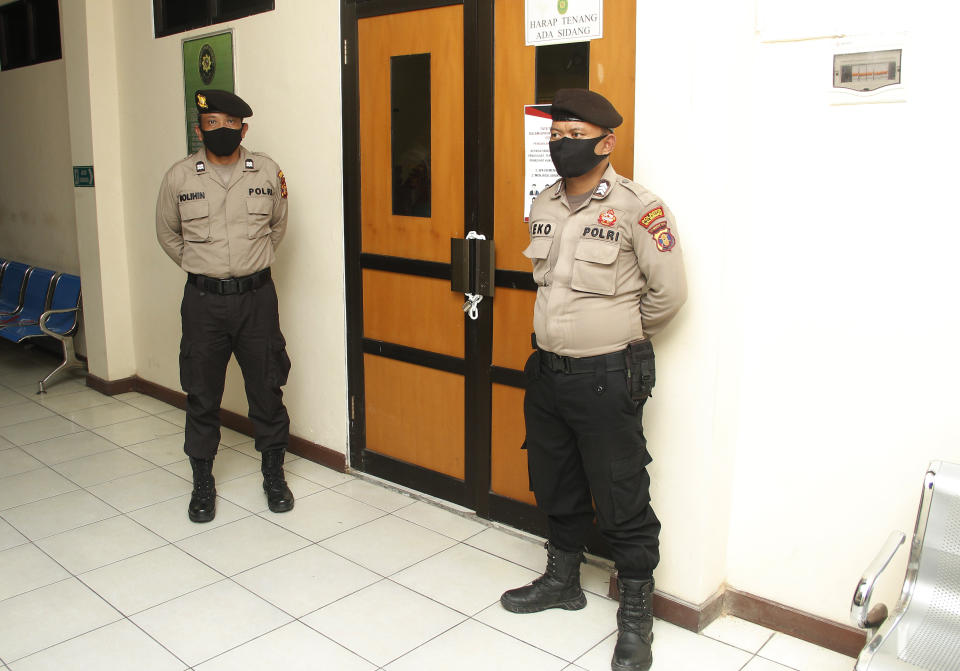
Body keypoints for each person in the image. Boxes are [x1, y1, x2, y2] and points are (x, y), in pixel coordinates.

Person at [500, 88, 687, 671]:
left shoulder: (639, 207)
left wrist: (617, 334)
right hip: (548, 372)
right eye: (555, 136)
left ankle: (635, 614)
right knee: (554, 479)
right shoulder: (545, 202)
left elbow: (668, 295)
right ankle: (563, 580)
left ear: (606, 143)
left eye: (574, 137)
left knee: (621, 491)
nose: (562, 145)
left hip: (608, 373)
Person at [156, 89, 294, 523]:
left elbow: (278, 226)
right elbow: (168, 235)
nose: (221, 131)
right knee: (201, 393)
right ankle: (202, 482)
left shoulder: (267, 171)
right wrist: (203, 268)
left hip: (257, 300)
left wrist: (249, 269)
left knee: (267, 388)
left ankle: (273, 475)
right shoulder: (179, 178)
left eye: (230, 124)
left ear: (243, 129)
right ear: (199, 130)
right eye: (211, 124)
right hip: (203, 304)